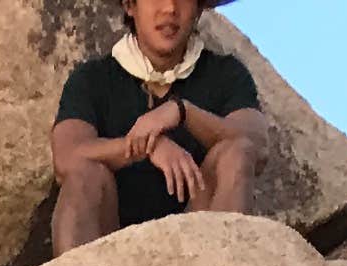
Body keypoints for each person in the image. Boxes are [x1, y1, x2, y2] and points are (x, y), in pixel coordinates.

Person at [50, 0, 274, 250]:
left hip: (200, 244)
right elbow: (66, 157)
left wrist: (182, 111)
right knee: (83, 175)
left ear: (199, 8)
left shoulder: (225, 74)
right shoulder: (93, 79)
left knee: (236, 153)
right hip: (109, 252)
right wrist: (146, 146)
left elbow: (257, 145)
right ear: (129, 6)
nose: (169, 8)